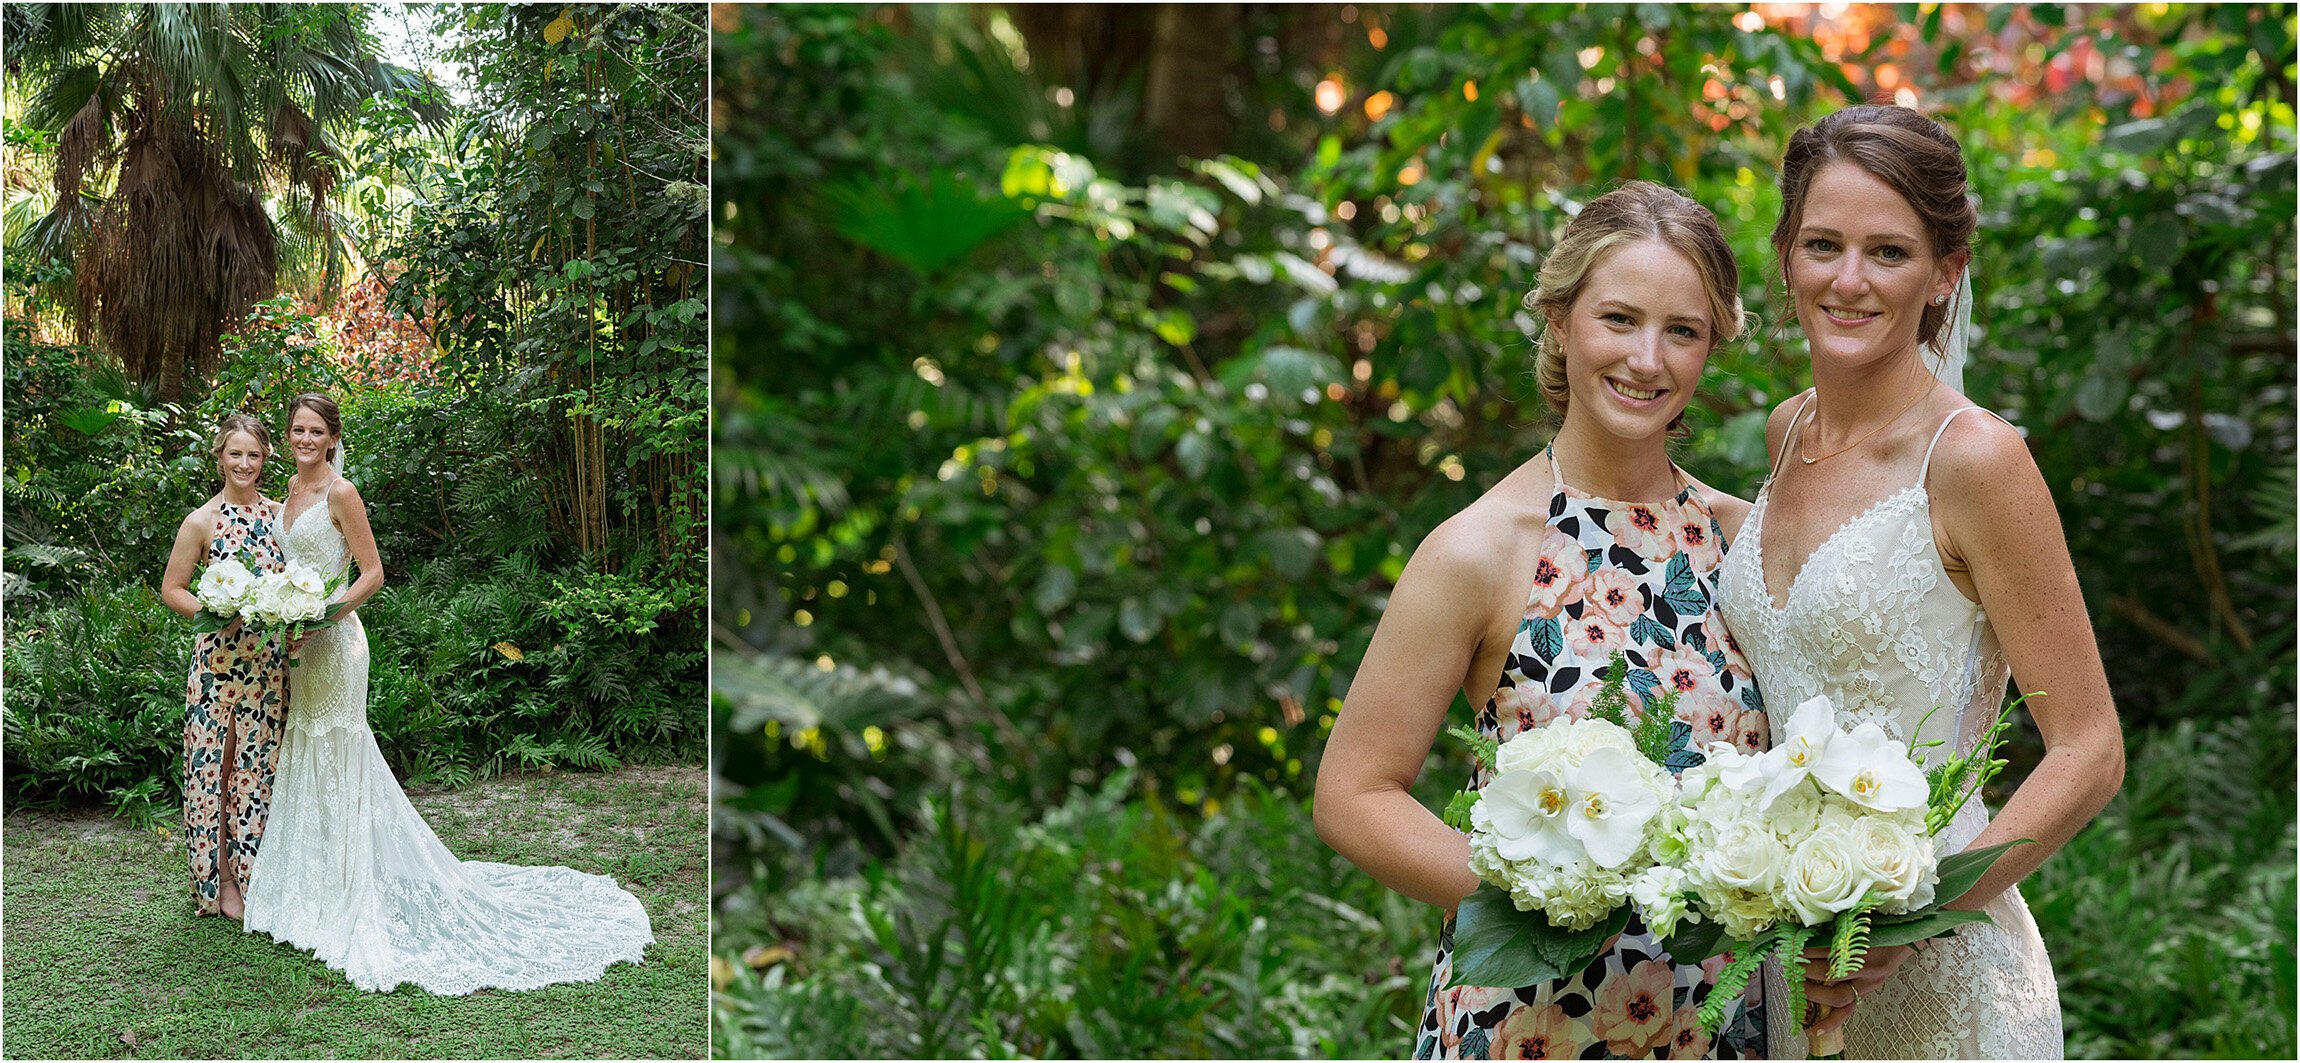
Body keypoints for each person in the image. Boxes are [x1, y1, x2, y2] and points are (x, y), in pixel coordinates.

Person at [1316, 181, 1771, 1060]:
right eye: (1618, 319)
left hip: (1715, 1026)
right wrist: (1533, 896)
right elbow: (1352, 793)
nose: (1648, 358)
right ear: (1560, 323)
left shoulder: (1740, 540)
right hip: (1530, 1025)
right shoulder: (1480, 549)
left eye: (1682, 331)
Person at [1713, 103, 2124, 1058]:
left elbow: (2090, 747)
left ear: (1946, 272)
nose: (1848, 281)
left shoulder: (1975, 460)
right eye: (1822, 244)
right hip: (1794, 963)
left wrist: (1917, 915)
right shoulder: (1786, 434)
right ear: (1785, 253)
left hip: (1946, 981)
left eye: (1889, 253)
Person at [241, 392, 657, 994]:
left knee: (343, 750)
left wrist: (322, 615)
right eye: (297, 430)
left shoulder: (341, 493)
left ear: (332, 438)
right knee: (308, 745)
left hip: (337, 643)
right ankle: (318, 881)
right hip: (302, 648)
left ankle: (354, 887)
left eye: (315, 431)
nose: (304, 439)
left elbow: (372, 573)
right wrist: (287, 619)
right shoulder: (288, 491)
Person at [160, 414, 291, 919]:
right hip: (218, 665)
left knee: (258, 771)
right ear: (219, 458)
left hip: (267, 666)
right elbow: (172, 589)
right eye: (234, 454)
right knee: (217, 767)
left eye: (253, 455)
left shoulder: (278, 517)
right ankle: (222, 883)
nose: (244, 463)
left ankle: (261, 872)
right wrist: (216, 614)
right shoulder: (202, 521)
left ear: (264, 459)